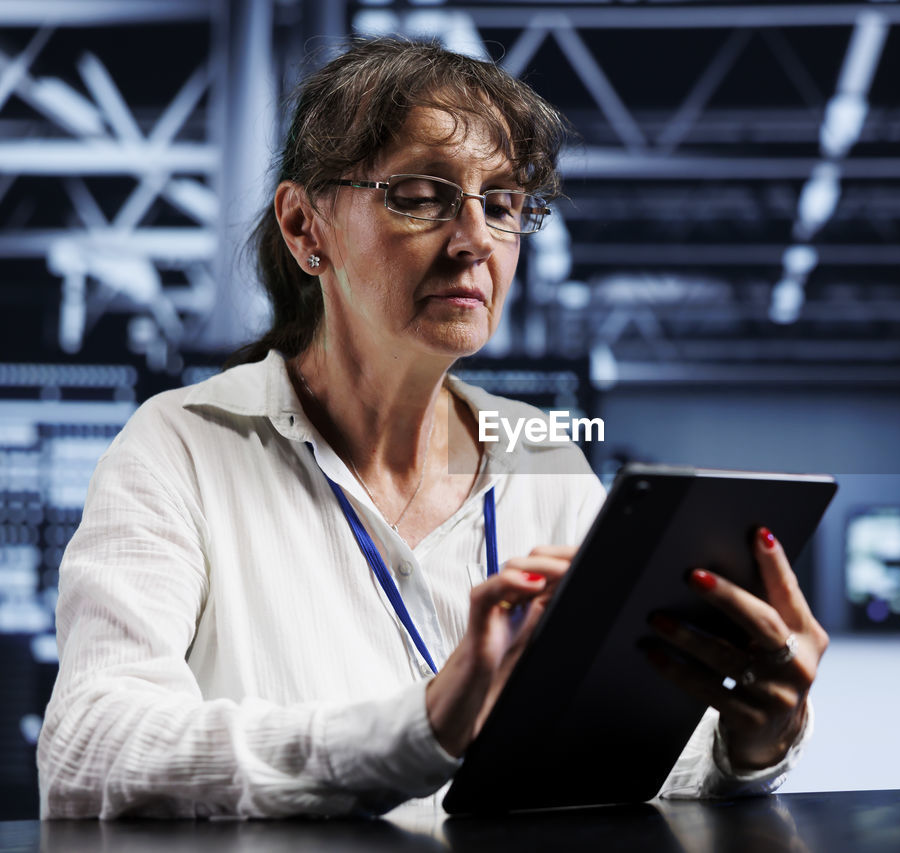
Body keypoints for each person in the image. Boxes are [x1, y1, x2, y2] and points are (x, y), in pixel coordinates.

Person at [35, 37, 828, 819]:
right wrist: (420, 726)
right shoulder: (181, 445)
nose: (477, 238)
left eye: (506, 202)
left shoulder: (542, 457)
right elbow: (90, 747)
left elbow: (633, 756)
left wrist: (747, 741)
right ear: (306, 227)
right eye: (420, 195)